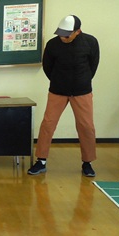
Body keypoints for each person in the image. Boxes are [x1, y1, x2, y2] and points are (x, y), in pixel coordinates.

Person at [28, 15, 99, 177]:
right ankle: (41, 161)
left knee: (86, 126)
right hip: (58, 90)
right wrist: (59, 80)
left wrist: (82, 80)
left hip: (82, 91)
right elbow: (48, 67)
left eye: (67, 35)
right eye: (60, 34)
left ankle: (87, 162)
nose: (63, 38)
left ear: (77, 31)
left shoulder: (90, 42)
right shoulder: (52, 44)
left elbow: (93, 65)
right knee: (48, 124)